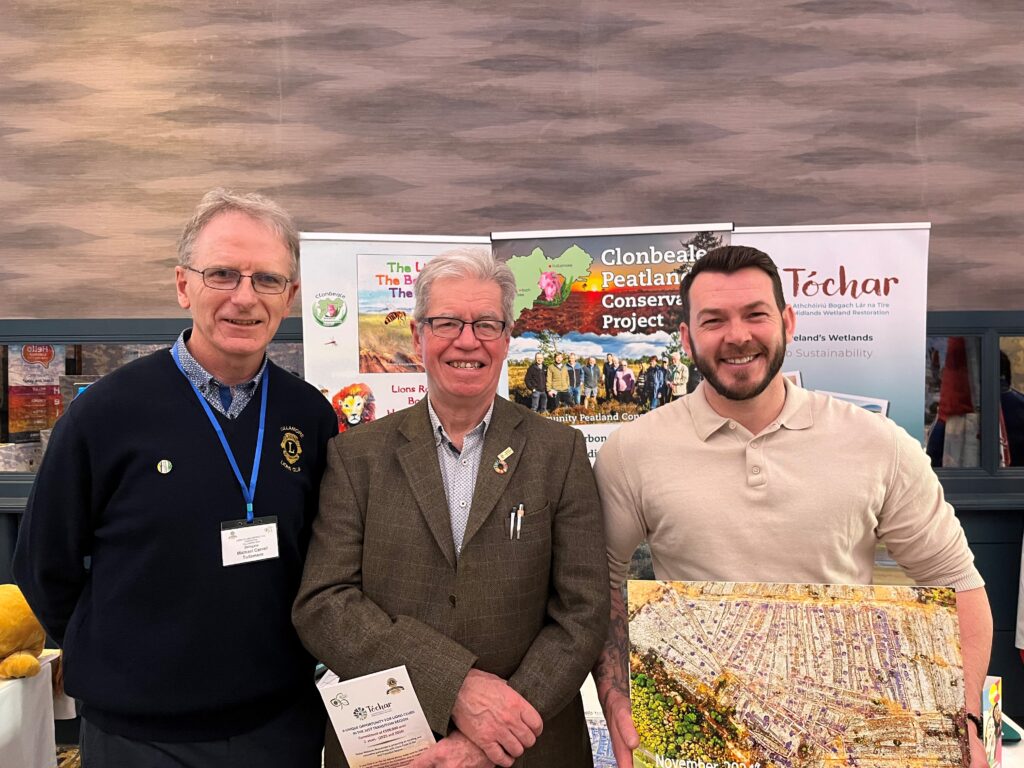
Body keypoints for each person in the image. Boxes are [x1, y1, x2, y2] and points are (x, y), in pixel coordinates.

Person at [592, 245, 993, 768]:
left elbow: (956, 582)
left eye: (755, 314)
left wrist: (962, 723)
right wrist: (617, 700)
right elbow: (599, 586)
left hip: (847, 741)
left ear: (787, 321)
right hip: (701, 744)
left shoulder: (879, 444)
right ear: (688, 338)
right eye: (714, 320)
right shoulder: (632, 452)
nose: (738, 335)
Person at [13, 189, 338, 767]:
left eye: (266, 279)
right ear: (183, 284)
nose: (245, 297)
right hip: (141, 735)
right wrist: (122, 655)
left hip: (280, 726)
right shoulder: (106, 412)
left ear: (289, 297)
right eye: (222, 274)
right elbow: (45, 565)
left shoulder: (308, 415)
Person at [293, 246, 609, 768]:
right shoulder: (356, 456)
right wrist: (454, 686)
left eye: (486, 323)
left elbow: (582, 610)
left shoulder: (560, 451)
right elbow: (324, 604)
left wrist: (495, 733)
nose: (468, 340)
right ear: (418, 337)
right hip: (394, 746)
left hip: (528, 746)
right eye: (447, 323)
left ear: (507, 338)